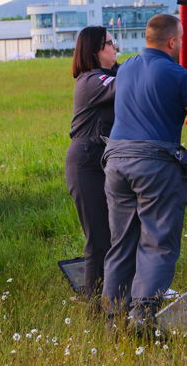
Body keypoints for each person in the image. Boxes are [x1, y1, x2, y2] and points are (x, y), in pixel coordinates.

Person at [101, 14, 187, 336]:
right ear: (172, 42)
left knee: (122, 241)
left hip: (115, 162)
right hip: (154, 164)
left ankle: (114, 316)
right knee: (157, 240)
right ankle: (143, 316)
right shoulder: (177, 74)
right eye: (181, 39)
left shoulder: (126, 68)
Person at [65, 26, 119, 299]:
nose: (115, 48)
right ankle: (94, 304)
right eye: (110, 43)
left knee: (114, 235)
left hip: (104, 160)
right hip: (86, 163)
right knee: (99, 238)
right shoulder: (91, 81)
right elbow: (135, 80)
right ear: (96, 51)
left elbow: (146, 76)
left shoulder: (110, 75)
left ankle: (115, 295)